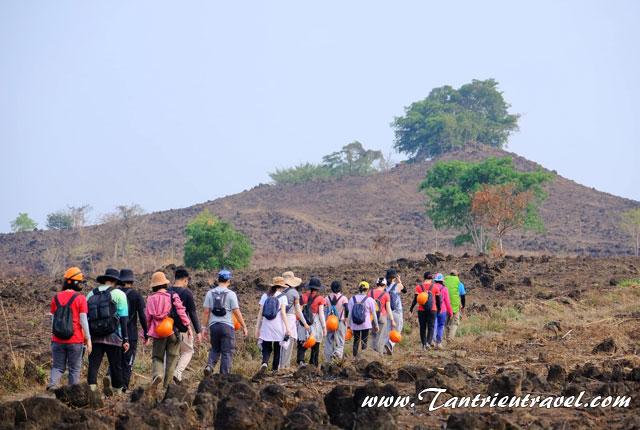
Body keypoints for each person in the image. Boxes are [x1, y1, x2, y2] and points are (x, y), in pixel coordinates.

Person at [86, 268, 129, 396]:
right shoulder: (119, 294)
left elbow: (86, 317)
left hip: (95, 336)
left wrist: (87, 338)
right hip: (114, 337)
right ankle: (117, 393)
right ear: (115, 281)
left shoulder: (90, 294)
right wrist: (125, 339)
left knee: (93, 365)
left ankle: (92, 391)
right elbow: (123, 318)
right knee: (116, 366)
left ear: (104, 279)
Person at [144, 271, 191, 389]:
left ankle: (158, 374)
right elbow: (181, 312)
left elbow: (147, 319)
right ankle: (167, 386)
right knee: (173, 357)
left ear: (154, 286)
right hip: (172, 331)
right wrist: (188, 327)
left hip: (158, 332)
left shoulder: (150, 299)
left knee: (157, 357)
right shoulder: (173, 295)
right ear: (165, 284)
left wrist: (145, 335)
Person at [48, 267, 91, 390]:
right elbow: (83, 321)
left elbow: (53, 320)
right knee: (74, 369)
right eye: (80, 282)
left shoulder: (55, 298)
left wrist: (54, 336)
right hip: (75, 341)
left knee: (57, 367)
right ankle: (73, 394)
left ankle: (53, 387)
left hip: (57, 340)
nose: (82, 284)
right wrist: (88, 339)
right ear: (75, 282)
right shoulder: (80, 298)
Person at [203, 269, 248, 375]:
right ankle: (224, 376)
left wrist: (204, 328)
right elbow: (236, 312)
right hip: (227, 326)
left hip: (213, 326)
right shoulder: (231, 294)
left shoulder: (210, 293)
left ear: (218, 280)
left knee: (215, 349)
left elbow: (206, 312)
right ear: (229, 281)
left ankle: (209, 366)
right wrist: (244, 326)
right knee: (227, 352)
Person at [116, 268, 148, 391]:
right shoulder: (136, 295)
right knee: (128, 361)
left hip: (115, 333)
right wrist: (146, 333)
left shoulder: (115, 293)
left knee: (116, 360)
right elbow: (142, 316)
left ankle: (113, 382)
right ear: (131, 281)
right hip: (131, 333)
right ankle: (124, 386)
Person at [168, 268, 202, 383]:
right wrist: (198, 331)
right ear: (185, 280)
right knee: (187, 351)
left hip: (167, 328)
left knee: (169, 353)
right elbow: (192, 313)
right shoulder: (187, 293)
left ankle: (166, 378)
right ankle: (178, 373)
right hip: (182, 328)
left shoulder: (167, 291)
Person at [255, 277, 292, 373]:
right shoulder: (283, 297)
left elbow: (260, 313)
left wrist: (257, 328)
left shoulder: (265, 296)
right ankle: (274, 369)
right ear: (282, 287)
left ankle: (265, 362)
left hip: (266, 325)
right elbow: (283, 313)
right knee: (277, 348)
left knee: (266, 346)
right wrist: (288, 328)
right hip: (278, 326)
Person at [279, 271, 309, 369]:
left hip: (279, 319)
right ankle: (285, 366)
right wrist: (305, 323)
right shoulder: (294, 293)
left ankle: (278, 366)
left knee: (280, 343)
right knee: (289, 343)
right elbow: (298, 311)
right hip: (290, 319)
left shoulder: (279, 291)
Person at [296, 277, 326, 367]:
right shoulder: (320, 299)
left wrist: (299, 322)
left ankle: (300, 361)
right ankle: (313, 363)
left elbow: (299, 311)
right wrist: (324, 327)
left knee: (302, 343)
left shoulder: (302, 296)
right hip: (315, 322)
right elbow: (321, 314)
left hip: (303, 321)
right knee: (315, 343)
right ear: (318, 288)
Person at [347, 281, 379, 357]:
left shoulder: (352, 299)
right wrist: (376, 325)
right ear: (367, 289)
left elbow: (349, 314)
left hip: (355, 324)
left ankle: (354, 358)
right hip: (366, 324)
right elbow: (374, 313)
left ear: (359, 288)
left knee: (356, 341)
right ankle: (363, 358)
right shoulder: (370, 299)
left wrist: (348, 325)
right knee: (364, 341)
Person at [410, 272, 441, 349]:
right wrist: (439, 309)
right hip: (432, 310)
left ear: (424, 278)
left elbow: (415, 300)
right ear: (431, 279)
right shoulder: (435, 287)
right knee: (431, 327)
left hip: (421, 310)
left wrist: (411, 309)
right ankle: (428, 343)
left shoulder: (418, 287)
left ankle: (423, 345)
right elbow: (438, 301)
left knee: (422, 327)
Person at [368, 277, 395, 354]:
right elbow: (388, 309)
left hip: (372, 316)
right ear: (385, 285)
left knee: (373, 335)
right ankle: (379, 353)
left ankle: (371, 352)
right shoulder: (386, 294)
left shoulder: (370, 292)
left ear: (377, 284)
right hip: (382, 317)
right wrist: (392, 320)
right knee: (380, 336)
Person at [324, 280, 349, 361]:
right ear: (340, 288)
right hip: (340, 321)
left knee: (329, 341)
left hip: (329, 321)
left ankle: (328, 360)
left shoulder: (327, 298)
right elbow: (347, 308)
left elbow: (324, 308)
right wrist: (346, 317)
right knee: (340, 340)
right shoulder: (343, 298)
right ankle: (337, 353)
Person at [384, 269, 406, 355]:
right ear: (394, 277)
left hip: (387, 311)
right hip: (397, 311)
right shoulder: (397, 286)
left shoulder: (384, 287)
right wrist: (399, 280)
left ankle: (386, 348)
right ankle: (390, 344)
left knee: (388, 330)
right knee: (398, 329)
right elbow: (405, 290)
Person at [433, 273, 453, 349]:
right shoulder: (445, 289)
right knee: (440, 326)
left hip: (433, 309)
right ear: (442, 281)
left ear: (435, 280)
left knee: (434, 325)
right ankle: (439, 343)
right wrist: (450, 312)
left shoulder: (432, 287)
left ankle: (433, 342)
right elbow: (447, 302)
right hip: (442, 310)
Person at [444, 270, 465, 341]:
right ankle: (450, 338)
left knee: (446, 322)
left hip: (445, 306)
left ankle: (447, 337)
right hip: (455, 306)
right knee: (455, 322)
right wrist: (463, 306)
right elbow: (462, 296)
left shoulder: (445, 282)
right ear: (457, 276)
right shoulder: (459, 283)